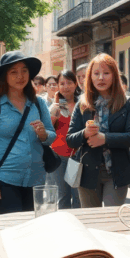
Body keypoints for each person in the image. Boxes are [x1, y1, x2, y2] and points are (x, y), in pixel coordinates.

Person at [0, 52, 56, 214]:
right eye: (13, 72)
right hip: (6, 178)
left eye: (24, 70)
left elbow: (51, 136)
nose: (20, 76)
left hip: (36, 179)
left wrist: (43, 134)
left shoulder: (39, 103)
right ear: (4, 76)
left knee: (31, 229)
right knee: (12, 229)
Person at [67, 54, 130, 207]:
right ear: (90, 77)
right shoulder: (83, 103)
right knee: (92, 220)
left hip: (117, 170)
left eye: (106, 73)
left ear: (114, 75)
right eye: (96, 73)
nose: (101, 78)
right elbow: (70, 139)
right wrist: (85, 133)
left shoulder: (127, 103)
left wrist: (104, 138)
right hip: (87, 171)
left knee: (113, 218)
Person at [46, 70, 83, 209]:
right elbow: (48, 131)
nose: (65, 86)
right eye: (62, 83)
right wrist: (53, 112)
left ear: (75, 84)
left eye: (69, 82)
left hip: (77, 156)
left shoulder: (82, 104)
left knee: (79, 197)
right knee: (63, 197)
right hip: (59, 156)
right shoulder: (56, 106)